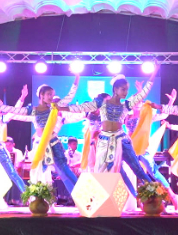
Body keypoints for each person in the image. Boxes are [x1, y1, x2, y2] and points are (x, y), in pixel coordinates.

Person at [64, 69, 160, 198]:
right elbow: (81, 107)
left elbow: (142, 95)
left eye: (127, 89)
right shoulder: (102, 104)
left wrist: (154, 73)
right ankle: (100, 199)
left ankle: (155, 196)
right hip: (105, 141)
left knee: (137, 169)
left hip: (122, 140)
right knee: (100, 171)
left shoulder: (126, 105)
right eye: (123, 89)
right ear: (115, 89)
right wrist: (61, 108)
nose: (126, 92)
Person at [0, 77, 80, 194]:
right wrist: (20, 99)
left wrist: (76, 80)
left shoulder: (55, 108)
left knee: (65, 171)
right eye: (49, 94)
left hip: (53, 143)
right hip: (40, 146)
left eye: (53, 95)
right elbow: (15, 112)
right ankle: (39, 197)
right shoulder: (33, 111)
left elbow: (69, 97)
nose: (51, 97)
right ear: (41, 95)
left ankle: (81, 194)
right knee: (39, 172)